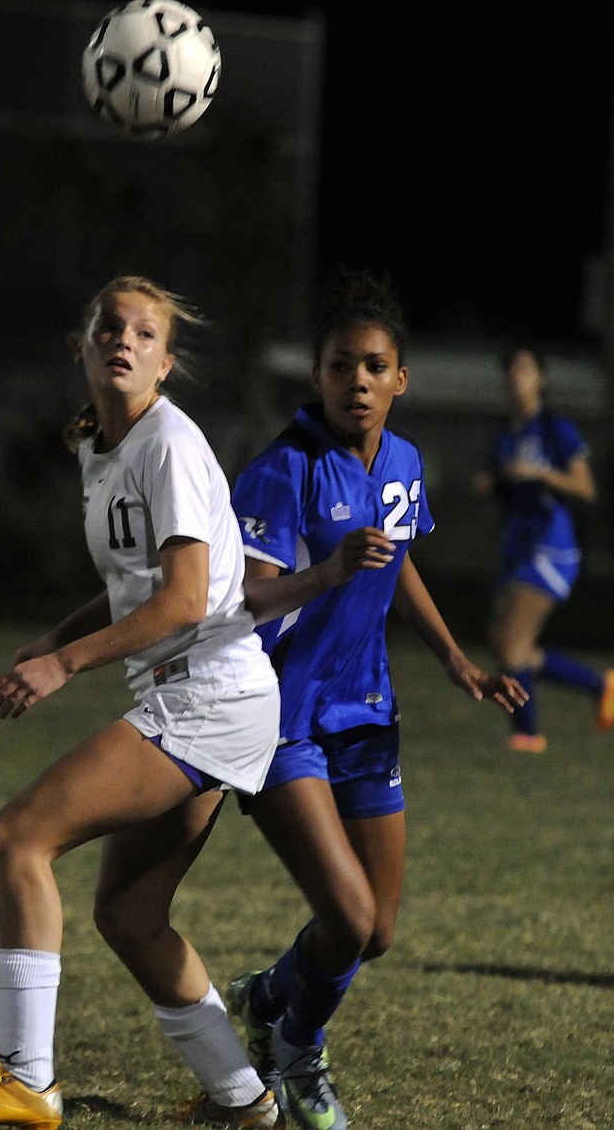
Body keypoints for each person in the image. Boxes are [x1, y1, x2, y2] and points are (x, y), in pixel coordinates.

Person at [0, 276, 289, 1130]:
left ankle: (27, 1082)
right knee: (128, 913)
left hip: (208, 694)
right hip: (207, 697)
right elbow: (135, 589)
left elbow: (184, 601)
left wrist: (66, 666)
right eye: (109, 329)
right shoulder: (101, 447)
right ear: (83, 350)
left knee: (17, 839)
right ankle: (242, 1101)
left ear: (165, 361)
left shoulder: (167, 444)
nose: (124, 341)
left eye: (145, 333)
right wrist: (57, 639)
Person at [225, 268, 528, 1130]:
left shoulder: (403, 462)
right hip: (281, 719)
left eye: (373, 365)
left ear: (401, 379)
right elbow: (248, 600)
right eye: (338, 366)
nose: (355, 380)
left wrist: (456, 663)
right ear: (316, 377)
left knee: (378, 929)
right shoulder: (284, 470)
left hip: (366, 710)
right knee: (347, 917)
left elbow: (400, 566)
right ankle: (297, 1057)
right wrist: (326, 569)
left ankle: (270, 993)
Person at [472, 342, 614, 753]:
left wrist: (539, 473)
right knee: (506, 643)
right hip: (520, 546)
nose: (517, 377)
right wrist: (496, 484)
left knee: (512, 645)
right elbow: (512, 485)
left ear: (541, 379)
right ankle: (599, 685)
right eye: (511, 370)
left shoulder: (555, 428)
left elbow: (585, 488)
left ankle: (529, 734)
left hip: (551, 549)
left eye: (526, 369)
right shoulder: (508, 434)